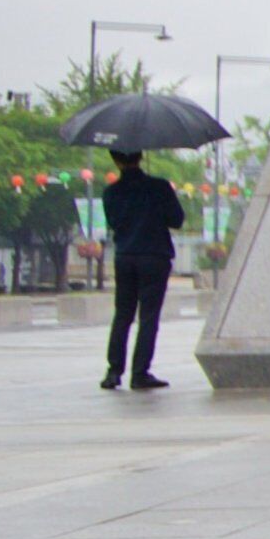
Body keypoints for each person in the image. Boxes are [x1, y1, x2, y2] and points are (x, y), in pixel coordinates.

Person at [98, 150, 186, 392]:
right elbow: (177, 220)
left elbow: (114, 223)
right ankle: (140, 373)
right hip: (154, 256)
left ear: (115, 160)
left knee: (123, 314)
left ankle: (114, 371)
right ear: (141, 156)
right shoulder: (159, 187)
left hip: (125, 256)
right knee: (148, 317)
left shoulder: (111, 192)